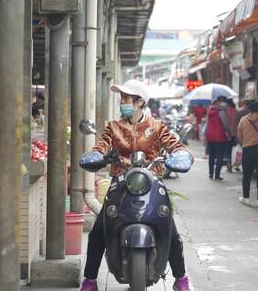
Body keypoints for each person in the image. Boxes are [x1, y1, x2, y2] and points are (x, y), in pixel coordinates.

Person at [79, 80, 194, 291]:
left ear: (140, 102)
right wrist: (96, 155)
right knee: (98, 232)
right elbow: (101, 145)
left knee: (171, 232)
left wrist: (181, 156)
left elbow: (176, 146)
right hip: (121, 184)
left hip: (152, 183)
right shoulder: (113, 127)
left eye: (126, 98)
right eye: (122, 98)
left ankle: (181, 278)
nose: (122, 101)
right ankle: (90, 280)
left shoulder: (157, 127)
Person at [237, 101, 258, 207]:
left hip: (247, 149)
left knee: (247, 175)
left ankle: (246, 198)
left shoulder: (243, 120)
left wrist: (244, 144)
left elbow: (239, 135)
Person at [205, 96, 230, 180]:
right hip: (220, 136)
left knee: (211, 155)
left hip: (210, 136)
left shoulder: (209, 110)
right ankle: (217, 175)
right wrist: (229, 133)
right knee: (219, 156)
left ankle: (211, 173)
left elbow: (207, 124)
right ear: (219, 102)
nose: (224, 103)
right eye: (224, 102)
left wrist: (206, 134)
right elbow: (225, 124)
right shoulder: (221, 111)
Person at [224, 99, 238, 172]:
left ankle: (229, 164)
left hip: (227, 133)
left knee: (227, 149)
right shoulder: (236, 111)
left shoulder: (225, 111)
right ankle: (234, 163)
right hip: (234, 133)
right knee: (233, 149)